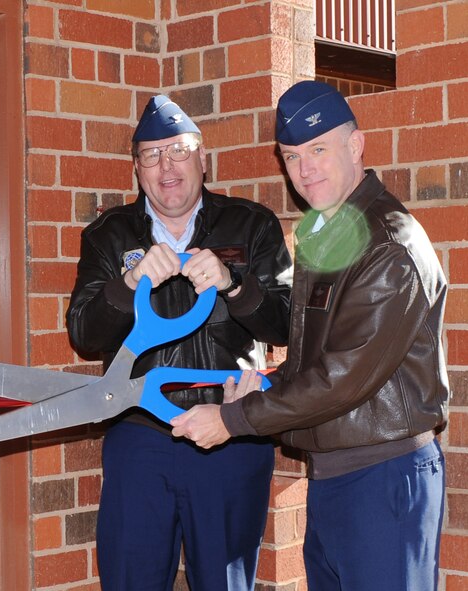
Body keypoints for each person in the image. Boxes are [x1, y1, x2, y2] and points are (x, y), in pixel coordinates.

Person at [172, 81, 449, 591]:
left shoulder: (388, 243)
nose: (305, 169)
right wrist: (268, 390)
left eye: (318, 149)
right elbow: (315, 361)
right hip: (335, 478)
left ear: (356, 145)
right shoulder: (332, 233)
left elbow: (342, 380)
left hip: (382, 479)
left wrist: (235, 419)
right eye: (291, 155)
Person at [66, 95, 293, 591]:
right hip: (140, 435)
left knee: (226, 583)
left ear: (202, 158)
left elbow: (285, 326)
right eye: (151, 154)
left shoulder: (253, 226)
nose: (167, 166)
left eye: (180, 150)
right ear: (137, 169)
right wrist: (125, 289)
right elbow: (83, 333)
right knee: (131, 580)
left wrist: (238, 284)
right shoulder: (108, 235)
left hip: (230, 432)